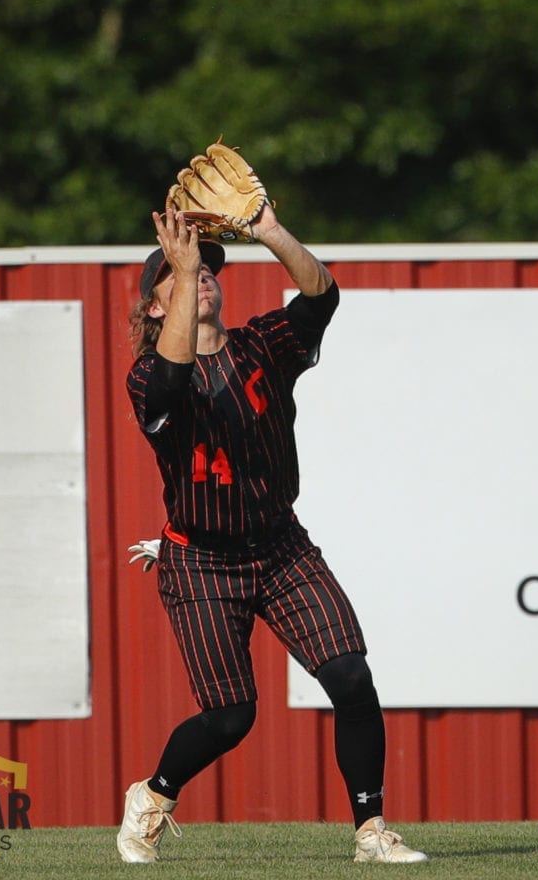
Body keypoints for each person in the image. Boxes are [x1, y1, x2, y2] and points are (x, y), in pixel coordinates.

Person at [120, 202, 427, 865]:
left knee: (350, 676)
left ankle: (370, 831)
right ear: (153, 307)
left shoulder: (260, 345)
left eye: (207, 269)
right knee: (232, 716)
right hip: (200, 560)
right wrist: (176, 260)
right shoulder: (146, 376)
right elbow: (173, 380)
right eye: (183, 272)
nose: (202, 275)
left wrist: (268, 232)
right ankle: (152, 794)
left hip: (281, 546)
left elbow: (322, 296)